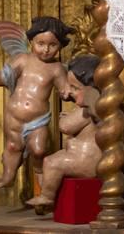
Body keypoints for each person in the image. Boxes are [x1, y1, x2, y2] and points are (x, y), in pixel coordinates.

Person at [0, 17, 73, 188]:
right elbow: (4, 77)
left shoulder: (56, 69)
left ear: (60, 46)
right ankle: (7, 176)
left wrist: (71, 92)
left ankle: (41, 177)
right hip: (14, 117)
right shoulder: (23, 60)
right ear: (31, 41)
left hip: (38, 121)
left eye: (52, 45)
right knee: (12, 147)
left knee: (39, 150)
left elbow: (65, 90)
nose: (46, 50)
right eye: (40, 43)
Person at [27, 54, 102, 210]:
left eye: (75, 88)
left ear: (91, 91)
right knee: (54, 158)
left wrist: (64, 119)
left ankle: (47, 197)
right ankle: (46, 193)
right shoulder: (89, 109)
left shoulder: (87, 111)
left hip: (85, 161)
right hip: (79, 156)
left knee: (52, 163)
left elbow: (65, 127)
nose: (70, 92)